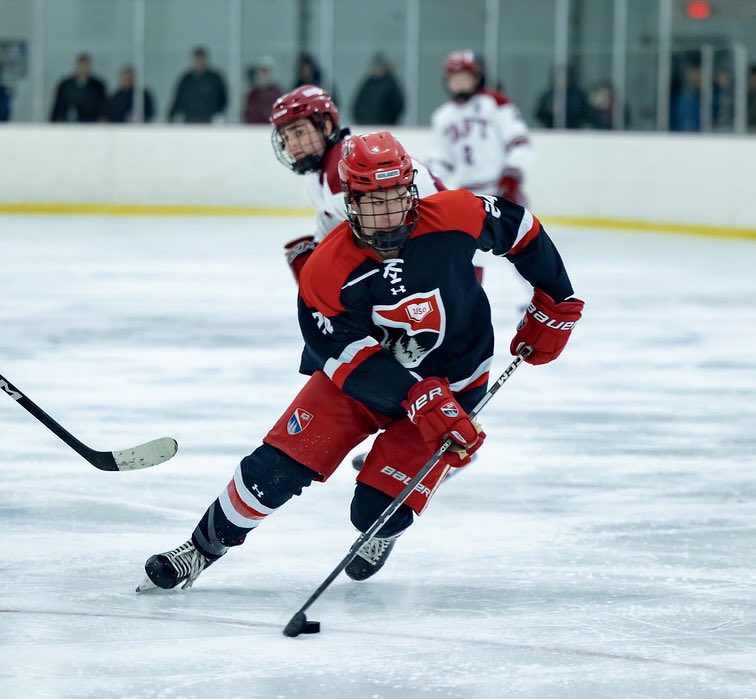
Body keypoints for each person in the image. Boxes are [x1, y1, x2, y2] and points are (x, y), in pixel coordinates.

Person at [136, 130, 584, 592]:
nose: (387, 212)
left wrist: (558, 300)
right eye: (372, 201)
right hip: (363, 383)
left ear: (411, 190)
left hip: (455, 381)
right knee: (278, 465)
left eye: (395, 196)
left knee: (376, 514)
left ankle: (388, 525)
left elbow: (521, 230)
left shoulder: (455, 214)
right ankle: (200, 549)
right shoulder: (326, 271)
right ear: (349, 201)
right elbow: (343, 355)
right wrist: (414, 394)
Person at [269, 84, 443, 282]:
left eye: (298, 132)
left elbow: (383, 242)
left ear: (325, 126)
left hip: (447, 257)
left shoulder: (341, 171)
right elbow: (330, 232)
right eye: (285, 136)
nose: (291, 144)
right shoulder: (323, 178)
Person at [429, 50, 533, 208]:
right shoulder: (442, 116)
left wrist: (511, 176)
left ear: (477, 78)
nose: (459, 84)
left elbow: (519, 143)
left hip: (500, 189)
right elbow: (442, 160)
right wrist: (429, 182)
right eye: (454, 79)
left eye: (464, 78)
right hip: (467, 195)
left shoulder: (495, 103)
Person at [168, 47, 227, 124]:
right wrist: (171, 115)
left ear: (205, 60)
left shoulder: (214, 78)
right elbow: (178, 98)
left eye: (201, 59)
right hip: (189, 118)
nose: (199, 62)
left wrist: (219, 113)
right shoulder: (186, 79)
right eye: (197, 59)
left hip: (209, 119)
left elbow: (223, 97)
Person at [50, 53, 106, 122]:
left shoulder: (98, 86)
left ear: (90, 67)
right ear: (76, 66)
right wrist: (55, 121)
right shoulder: (65, 85)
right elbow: (58, 105)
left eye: (86, 65)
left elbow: (103, 106)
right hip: (67, 123)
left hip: (91, 123)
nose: (83, 69)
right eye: (81, 65)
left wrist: (102, 119)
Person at [352, 54, 405, 125]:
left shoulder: (390, 84)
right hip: (365, 125)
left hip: (384, 125)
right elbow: (359, 103)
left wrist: (389, 120)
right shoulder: (368, 83)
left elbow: (397, 105)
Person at [243, 55, 282, 124]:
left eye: (265, 71)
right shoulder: (253, 94)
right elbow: (247, 114)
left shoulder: (277, 92)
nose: (263, 74)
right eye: (261, 71)